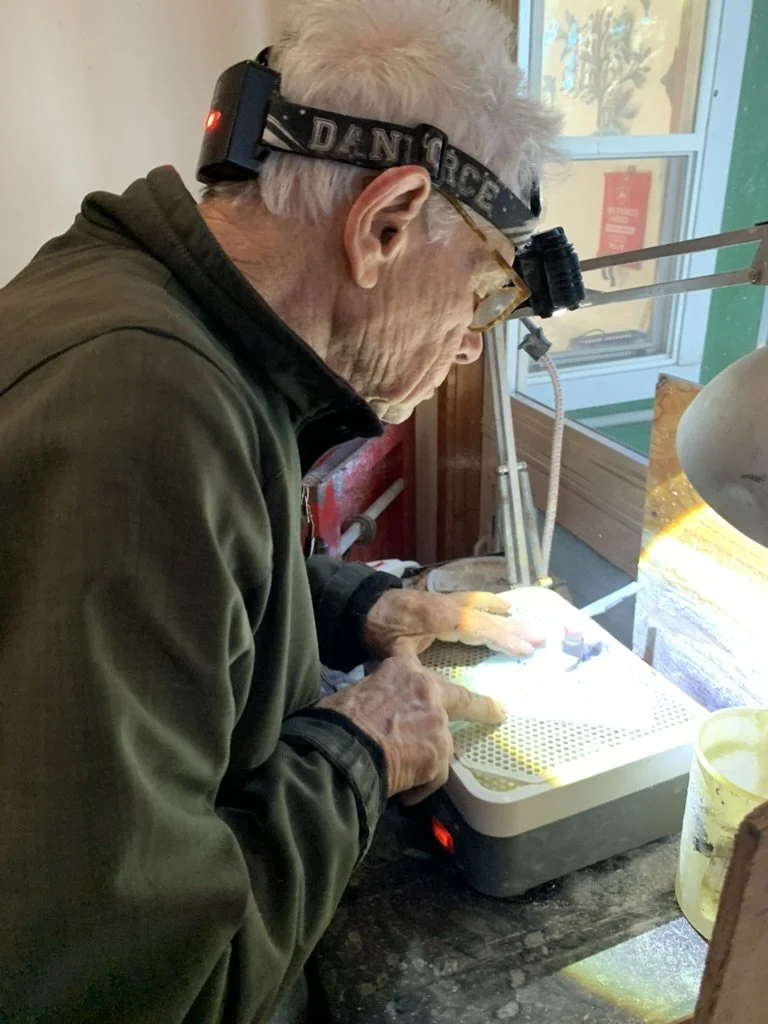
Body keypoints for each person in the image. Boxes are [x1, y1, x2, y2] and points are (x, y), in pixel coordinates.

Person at [0, 0, 560, 1020]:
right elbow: (144, 987)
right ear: (386, 224)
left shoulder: (138, 310)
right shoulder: (147, 414)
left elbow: (183, 583)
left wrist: (361, 606)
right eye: (482, 293)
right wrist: (364, 747)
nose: (471, 341)